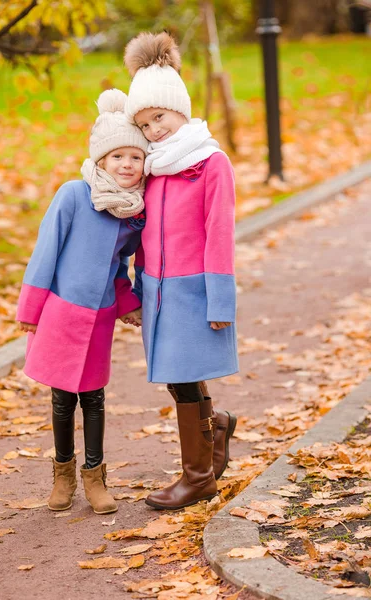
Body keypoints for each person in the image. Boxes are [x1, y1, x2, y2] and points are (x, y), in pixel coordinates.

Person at [16, 89, 148, 514]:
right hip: (60, 313)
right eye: (117, 157)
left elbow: (117, 267)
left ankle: (95, 477)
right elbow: (46, 251)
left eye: (135, 157)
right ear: (100, 160)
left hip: (99, 318)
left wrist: (127, 302)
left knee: (93, 397)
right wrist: (30, 309)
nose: (126, 165)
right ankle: (63, 474)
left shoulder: (132, 214)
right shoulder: (74, 195)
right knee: (61, 399)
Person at [124, 32, 238, 510]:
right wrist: (135, 289)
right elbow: (144, 233)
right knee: (176, 378)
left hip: (195, 290)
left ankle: (197, 477)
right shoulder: (154, 169)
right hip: (157, 291)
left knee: (186, 378)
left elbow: (219, 235)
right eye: (145, 124)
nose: (153, 131)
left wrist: (219, 300)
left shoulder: (210, 163)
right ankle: (215, 436)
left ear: (181, 111)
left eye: (160, 118)